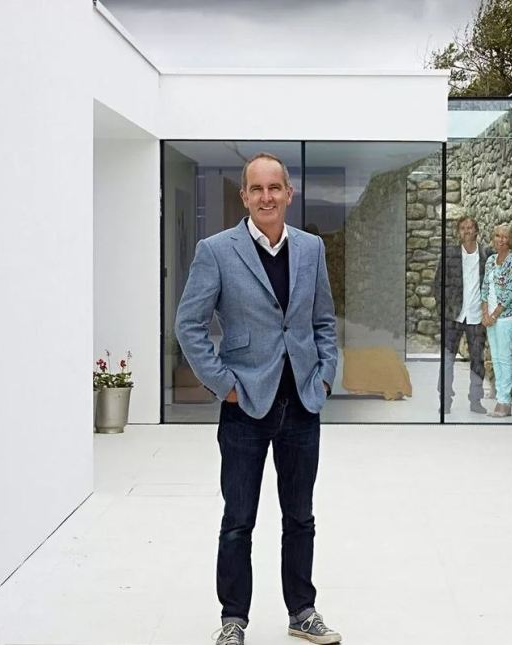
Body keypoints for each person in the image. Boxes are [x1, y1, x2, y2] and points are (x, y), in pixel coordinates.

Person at [175, 152, 341, 645]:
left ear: (289, 193)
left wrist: (326, 377)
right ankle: (233, 620)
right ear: (244, 196)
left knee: (300, 516)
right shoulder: (216, 251)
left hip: (302, 403)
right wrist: (223, 383)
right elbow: (189, 325)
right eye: (256, 189)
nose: (266, 197)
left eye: (275, 187)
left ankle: (302, 612)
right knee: (238, 520)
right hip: (243, 404)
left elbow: (324, 321)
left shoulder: (311, 249)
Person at [434, 215, 489, 415]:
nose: (467, 231)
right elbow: (437, 284)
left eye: (470, 227)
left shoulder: (485, 255)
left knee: (477, 360)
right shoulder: (449, 254)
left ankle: (476, 401)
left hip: (476, 316)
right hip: (453, 316)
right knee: (447, 360)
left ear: (476, 231)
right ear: (459, 232)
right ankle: (445, 401)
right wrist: (444, 309)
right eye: (463, 228)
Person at [481, 224, 512, 418]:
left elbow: (509, 293)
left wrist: (494, 314)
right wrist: (484, 314)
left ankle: (505, 402)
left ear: (510, 240)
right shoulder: (490, 260)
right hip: (491, 317)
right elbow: (485, 288)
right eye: (497, 235)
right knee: (496, 357)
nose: (500, 239)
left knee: (505, 358)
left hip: (506, 317)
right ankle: (500, 397)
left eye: (505, 236)